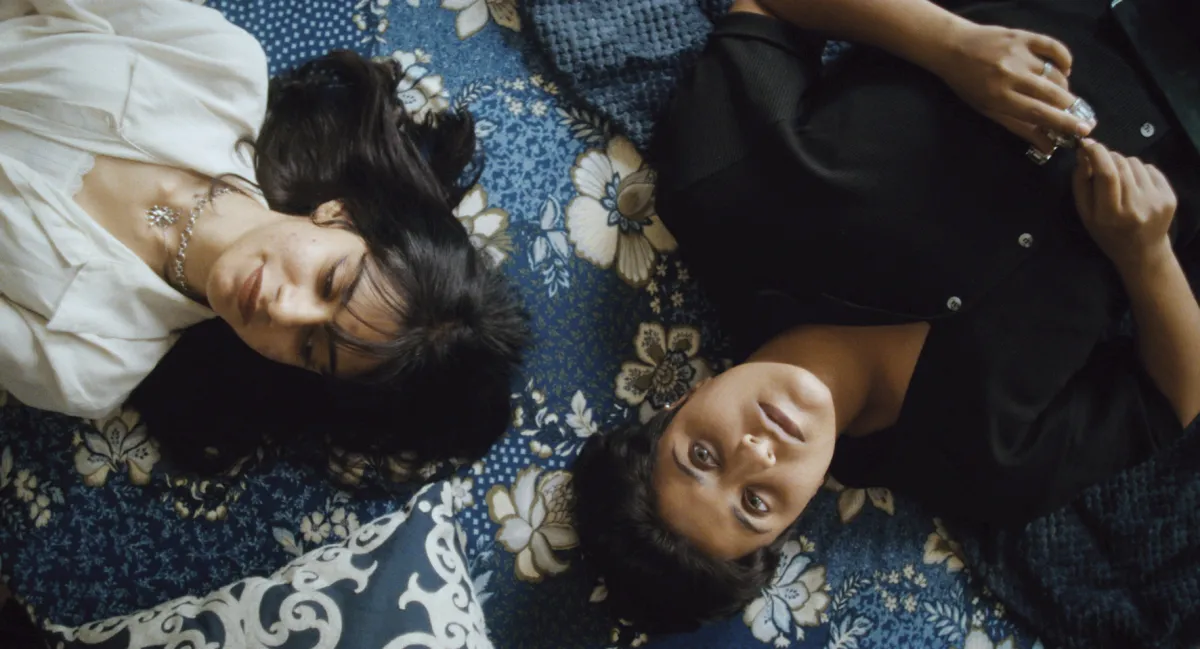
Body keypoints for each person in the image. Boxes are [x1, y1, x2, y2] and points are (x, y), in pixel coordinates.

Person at [572, 0, 1200, 631]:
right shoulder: (986, 468)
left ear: (683, 398)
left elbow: (767, 9)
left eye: (702, 455)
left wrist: (950, 44)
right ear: (791, 525)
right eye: (755, 503)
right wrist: (1146, 256)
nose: (757, 451)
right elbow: (1173, 400)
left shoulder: (726, 197)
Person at [0, 0, 529, 467]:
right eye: (330, 281)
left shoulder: (93, 362)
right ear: (340, 214)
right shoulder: (220, 69)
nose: (284, 311)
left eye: (309, 346)